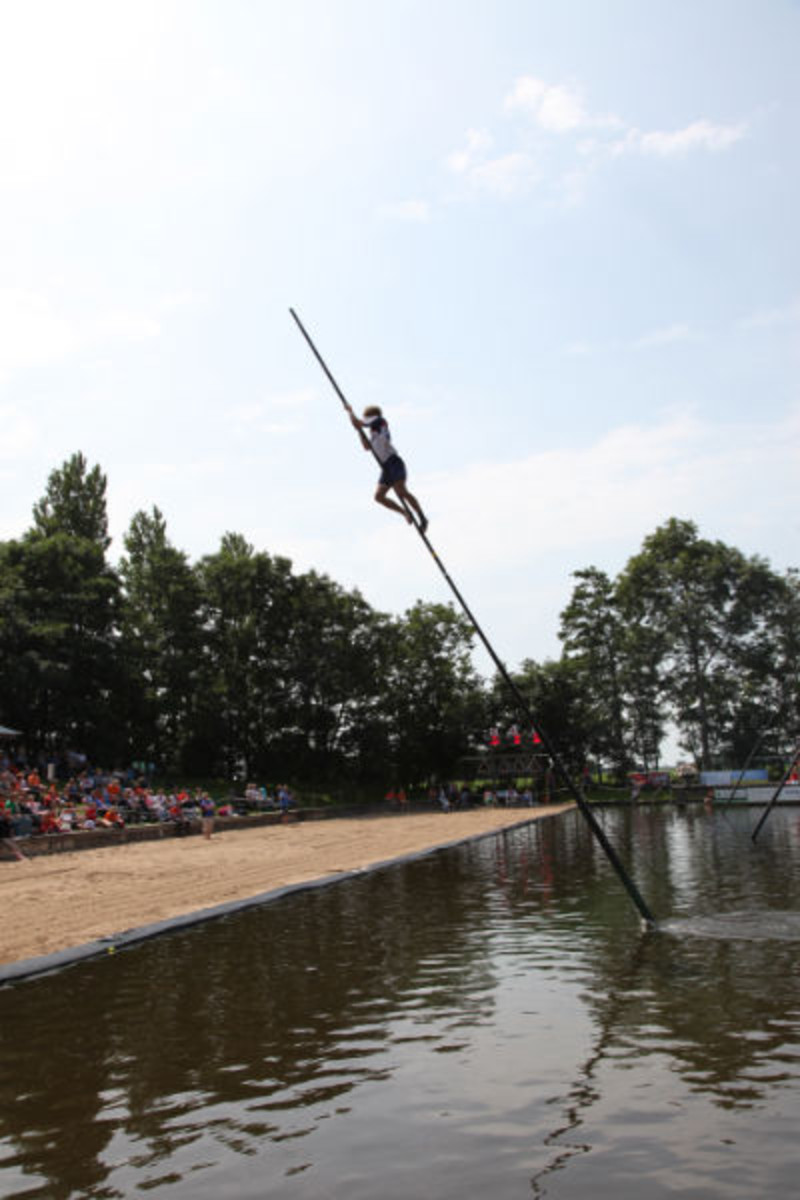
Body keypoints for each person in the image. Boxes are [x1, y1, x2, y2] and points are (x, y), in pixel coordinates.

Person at [346, 404, 428, 532]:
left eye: (366, 418)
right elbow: (366, 447)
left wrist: (350, 412)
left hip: (394, 462)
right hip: (386, 467)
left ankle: (422, 517)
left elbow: (357, 423)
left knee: (401, 491)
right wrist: (360, 433)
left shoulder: (379, 420)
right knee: (379, 497)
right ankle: (405, 512)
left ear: (371, 416)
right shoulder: (374, 434)